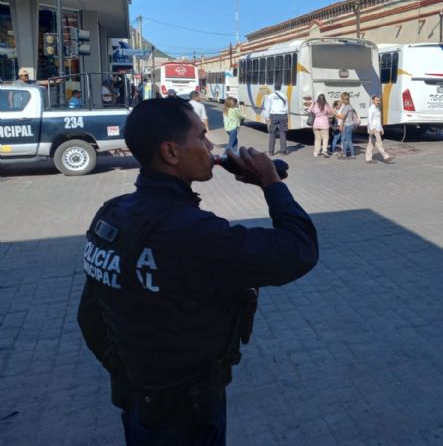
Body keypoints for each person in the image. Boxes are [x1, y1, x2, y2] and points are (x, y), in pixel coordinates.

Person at [77, 96, 318, 445]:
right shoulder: (192, 232)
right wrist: (270, 183)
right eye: (202, 138)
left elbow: (90, 316)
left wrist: (134, 375)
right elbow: (300, 250)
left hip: (138, 400)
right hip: (186, 413)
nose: (211, 147)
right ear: (171, 152)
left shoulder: (111, 214)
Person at [365, 94, 392, 164]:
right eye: (376, 100)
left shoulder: (377, 108)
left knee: (371, 145)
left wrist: (381, 128)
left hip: (377, 128)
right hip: (373, 129)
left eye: (379, 100)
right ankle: (386, 156)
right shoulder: (371, 109)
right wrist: (371, 129)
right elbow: (369, 120)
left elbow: (378, 120)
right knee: (379, 143)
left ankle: (368, 159)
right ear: (373, 101)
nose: (378, 101)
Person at [264, 89, 288, 156]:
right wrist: (286, 116)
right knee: (282, 133)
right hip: (283, 115)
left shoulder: (270, 96)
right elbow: (287, 107)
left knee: (272, 133)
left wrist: (267, 117)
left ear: (274, 88)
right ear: (280, 88)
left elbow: (267, 107)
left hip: (274, 116)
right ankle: (283, 151)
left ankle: (271, 152)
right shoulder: (284, 96)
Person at [336, 92, 357, 159]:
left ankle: (352, 155)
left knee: (347, 140)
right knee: (344, 139)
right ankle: (345, 154)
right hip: (349, 125)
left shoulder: (346, 107)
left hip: (347, 125)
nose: (340, 100)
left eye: (341, 99)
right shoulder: (350, 106)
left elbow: (342, 117)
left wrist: (334, 113)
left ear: (343, 99)